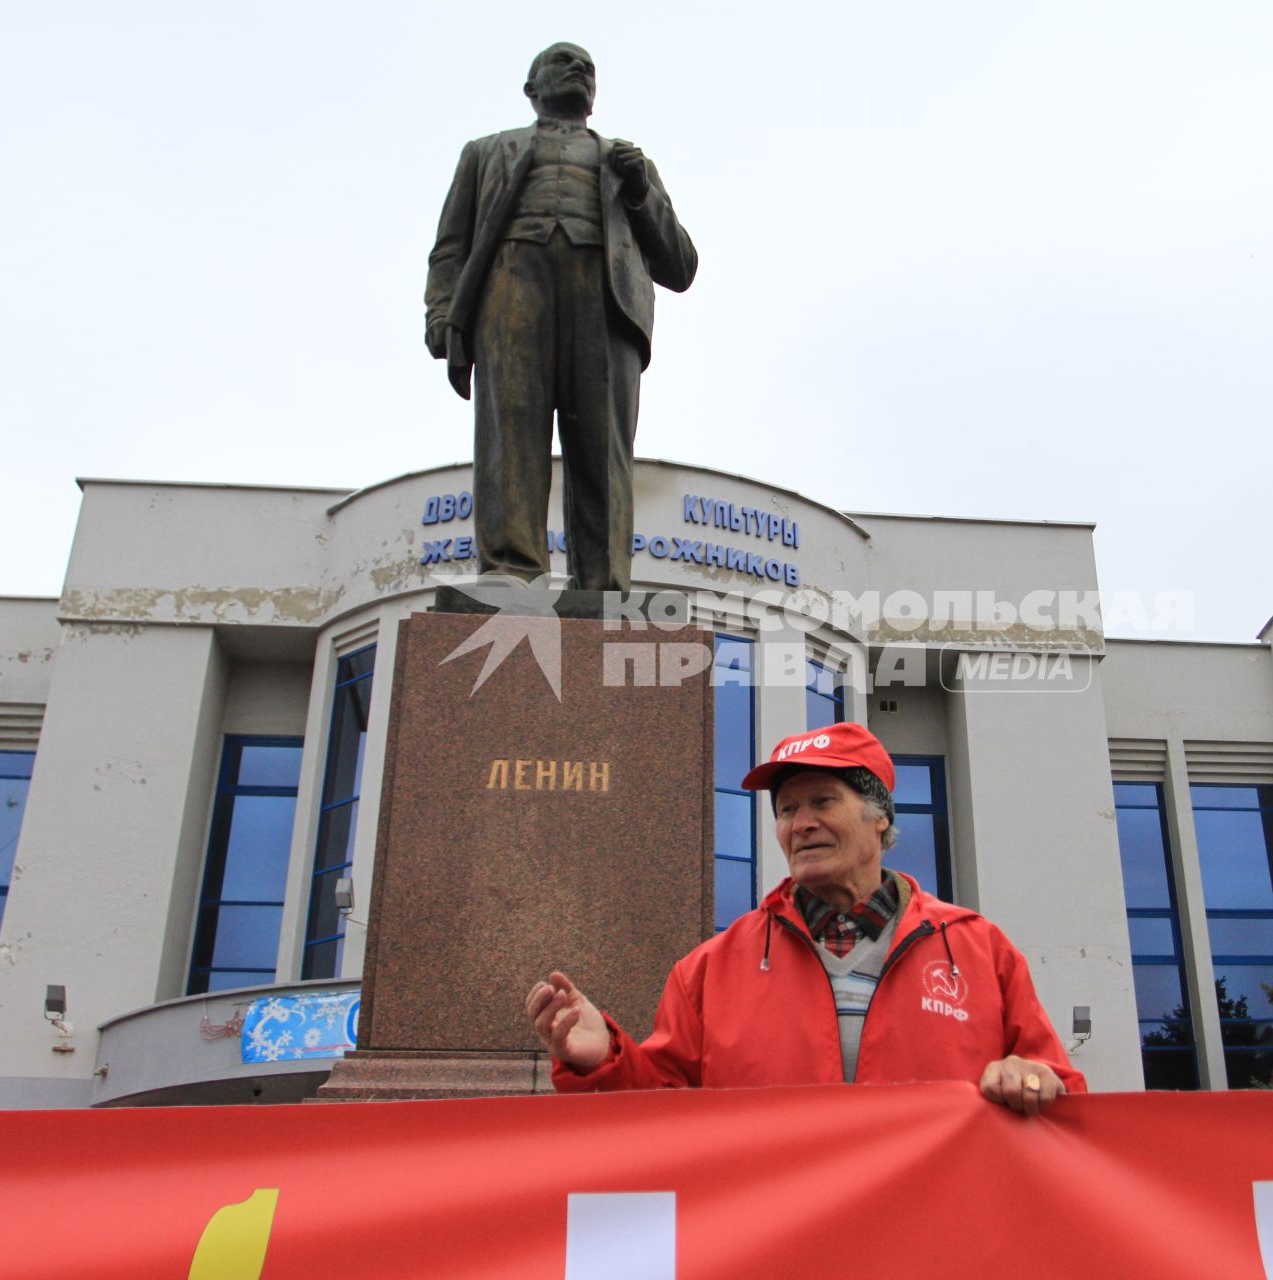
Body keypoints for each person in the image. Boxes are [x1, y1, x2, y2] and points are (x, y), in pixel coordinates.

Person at [526, 723, 1086, 1114]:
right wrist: (603, 1061)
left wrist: (1033, 1079)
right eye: (788, 809)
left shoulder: (979, 950)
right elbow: (661, 1114)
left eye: (822, 801)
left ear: (879, 820)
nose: (802, 823)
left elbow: (1060, 1086)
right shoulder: (709, 970)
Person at [424, 42, 697, 592]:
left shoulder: (628, 162)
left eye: (588, 68)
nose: (579, 70)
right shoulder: (485, 152)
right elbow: (450, 246)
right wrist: (441, 311)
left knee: (603, 446)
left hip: (604, 299)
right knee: (511, 431)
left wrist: (641, 192)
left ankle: (603, 582)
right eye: (563, 62)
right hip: (511, 286)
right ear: (532, 88)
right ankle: (510, 572)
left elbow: (680, 265)